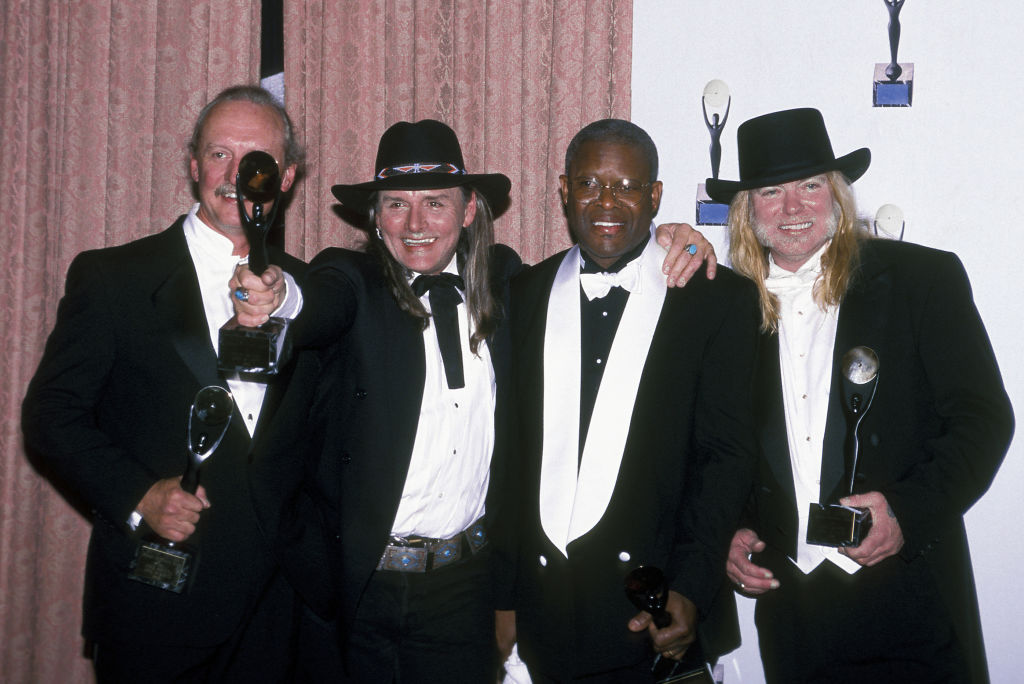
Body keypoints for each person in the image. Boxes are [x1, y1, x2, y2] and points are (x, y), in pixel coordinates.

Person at [235, 119, 716, 683]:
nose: (415, 225)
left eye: (436, 203)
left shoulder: (510, 283)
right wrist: (279, 296)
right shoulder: (351, 282)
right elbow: (315, 301)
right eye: (396, 205)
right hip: (359, 588)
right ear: (375, 216)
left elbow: (612, 250)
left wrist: (675, 235)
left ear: (467, 211)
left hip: (465, 590)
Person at [705, 107, 1014, 683]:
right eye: (772, 191)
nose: (793, 208)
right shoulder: (728, 311)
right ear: (747, 211)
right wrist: (732, 525)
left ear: (837, 196)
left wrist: (905, 512)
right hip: (793, 613)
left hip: (912, 599)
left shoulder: (922, 280)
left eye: (810, 186)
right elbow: (724, 445)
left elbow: (983, 419)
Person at [21, 84, 305, 683]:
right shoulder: (115, 278)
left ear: (285, 177)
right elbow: (51, 415)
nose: (235, 173)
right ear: (194, 163)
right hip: (158, 606)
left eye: (257, 158)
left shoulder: (311, 294)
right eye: (219, 153)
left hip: (281, 620)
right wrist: (139, 495)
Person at [506, 118, 760, 682]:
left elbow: (726, 458)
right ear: (564, 190)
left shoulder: (716, 300)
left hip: (659, 613)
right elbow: (507, 461)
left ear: (655, 196)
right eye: (589, 183)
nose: (606, 200)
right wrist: (504, 597)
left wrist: (691, 587)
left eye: (626, 186)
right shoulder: (520, 294)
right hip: (546, 616)